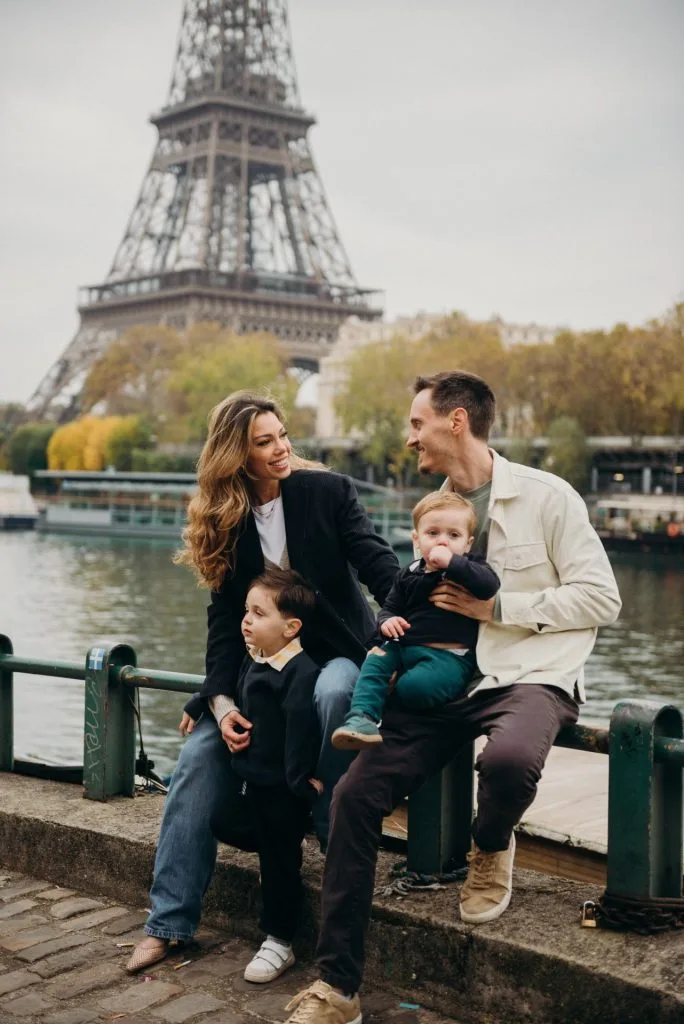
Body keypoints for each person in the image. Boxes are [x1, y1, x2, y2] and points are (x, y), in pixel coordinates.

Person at [283, 370, 621, 1024]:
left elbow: (602, 598)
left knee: (508, 761)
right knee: (354, 798)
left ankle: (489, 843)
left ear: (456, 421)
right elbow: (397, 595)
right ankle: (338, 988)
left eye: (417, 424)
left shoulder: (548, 496)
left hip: (530, 672)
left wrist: (499, 608)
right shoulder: (433, 514)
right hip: (440, 678)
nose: (410, 438)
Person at [126, 391, 399, 974]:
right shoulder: (225, 520)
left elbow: (377, 563)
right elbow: (225, 625)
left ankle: (331, 827)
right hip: (260, 671)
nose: (282, 449)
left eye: (283, 435)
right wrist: (221, 703)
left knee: (334, 693)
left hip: (333, 654)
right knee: (198, 756)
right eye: (264, 442)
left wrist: (412, 612)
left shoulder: (328, 492)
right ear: (236, 456)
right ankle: (168, 921)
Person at [331, 491, 499, 749]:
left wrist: (453, 563)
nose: (442, 541)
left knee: (414, 687)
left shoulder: (470, 569)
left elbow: (489, 586)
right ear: (416, 539)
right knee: (375, 661)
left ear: (467, 544)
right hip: (404, 646)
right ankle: (361, 718)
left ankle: (391, 705)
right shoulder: (408, 573)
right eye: (433, 533)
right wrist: (387, 622)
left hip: (448, 655)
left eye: (453, 535)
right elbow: (390, 607)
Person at [231, 567, 323, 983]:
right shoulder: (254, 659)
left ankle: (279, 941)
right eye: (246, 611)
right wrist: (199, 706)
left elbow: (300, 733)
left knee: (279, 861)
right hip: (252, 780)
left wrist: (300, 783)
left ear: (291, 628)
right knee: (223, 821)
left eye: (258, 613)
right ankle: (276, 850)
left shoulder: (301, 673)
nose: (246, 620)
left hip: (283, 788)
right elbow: (235, 692)